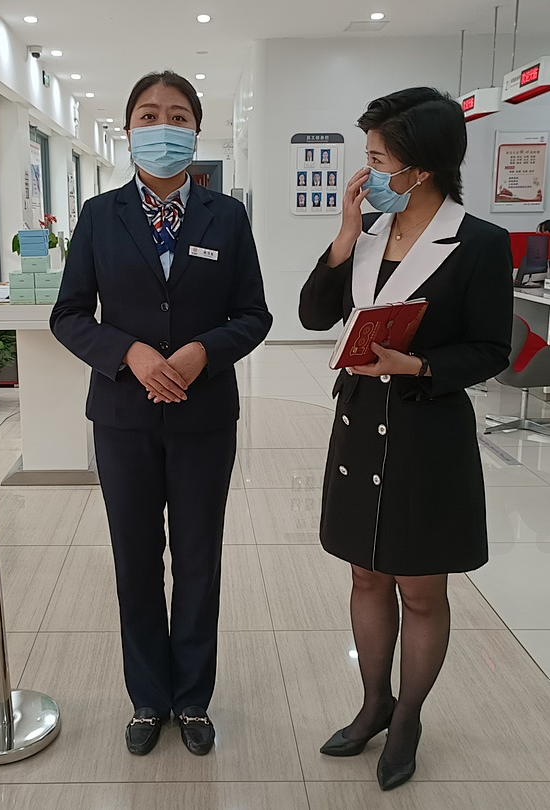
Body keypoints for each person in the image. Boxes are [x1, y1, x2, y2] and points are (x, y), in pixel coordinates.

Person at [50, 70, 272, 758]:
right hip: (123, 417)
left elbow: (254, 314)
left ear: (196, 131)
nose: (163, 126)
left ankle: (192, 699)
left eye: (178, 116)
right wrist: (129, 353)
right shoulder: (98, 215)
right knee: (136, 559)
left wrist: (205, 350)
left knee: (199, 560)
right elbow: (68, 315)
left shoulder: (227, 217)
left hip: (205, 418)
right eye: (148, 115)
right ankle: (148, 697)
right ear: (128, 130)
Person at [299, 87, 513, 791]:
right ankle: (374, 703)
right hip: (361, 422)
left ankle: (409, 718)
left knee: (421, 589)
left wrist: (416, 365)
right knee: (365, 574)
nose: (369, 172)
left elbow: (492, 348)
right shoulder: (365, 234)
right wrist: (343, 233)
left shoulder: (479, 243)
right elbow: (312, 314)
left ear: (421, 169)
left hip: (427, 433)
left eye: (379, 159)